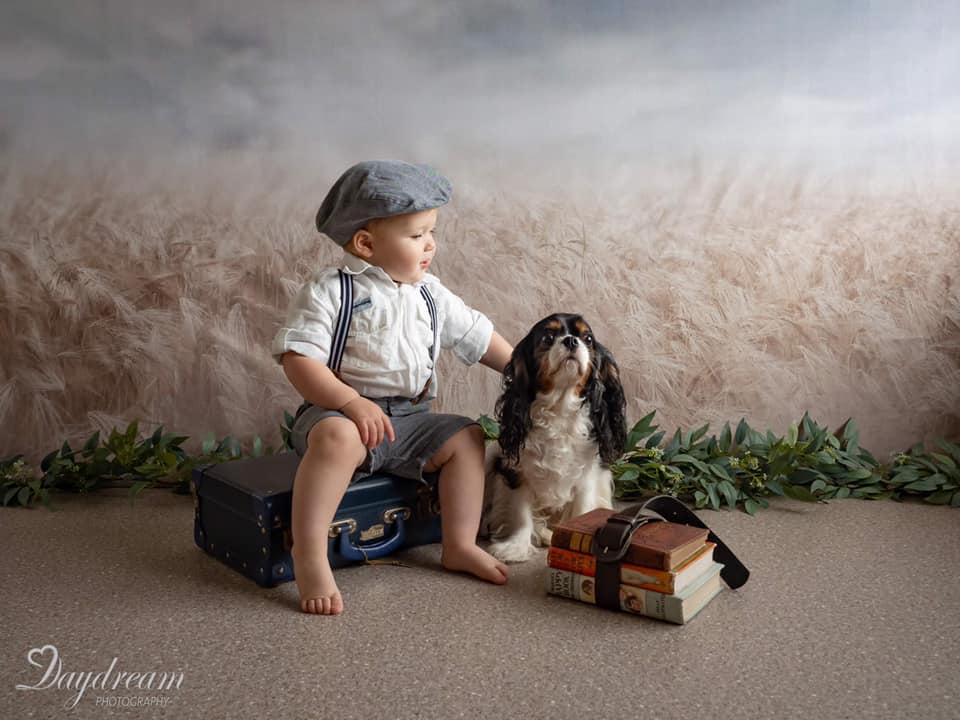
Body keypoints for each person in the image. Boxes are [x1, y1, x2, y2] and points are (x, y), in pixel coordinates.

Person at [272, 160, 513, 615]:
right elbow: (298, 359)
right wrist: (349, 401)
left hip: (410, 419)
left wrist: (523, 368)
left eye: (432, 232)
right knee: (337, 439)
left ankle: (457, 543)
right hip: (337, 413)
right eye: (417, 234)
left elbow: (479, 337)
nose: (431, 245)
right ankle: (310, 554)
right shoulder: (331, 291)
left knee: (468, 437)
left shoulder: (430, 292)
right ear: (366, 243)